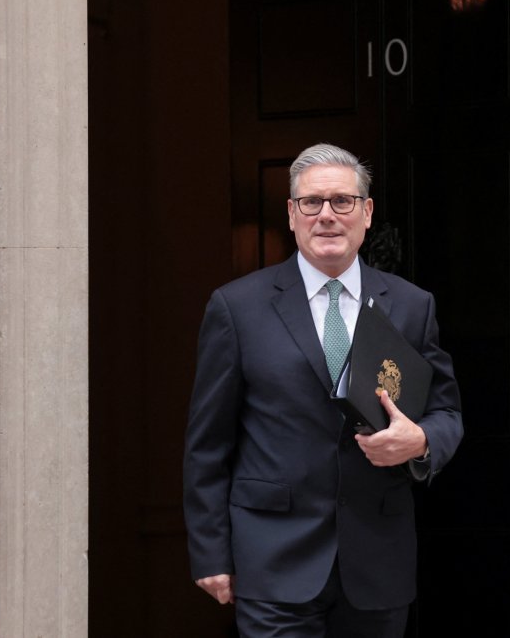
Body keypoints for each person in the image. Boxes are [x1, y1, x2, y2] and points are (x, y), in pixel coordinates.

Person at [184, 143, 464, 637]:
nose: (327, 216)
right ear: (292, 215)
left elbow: (446, 412)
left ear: (367, 212)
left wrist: (418, 442)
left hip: (377, 561)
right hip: (272, 560)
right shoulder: (238, 307)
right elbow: (208, 444)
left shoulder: (411, 305)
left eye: (343, 201)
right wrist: (210, 552)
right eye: (312, 203)